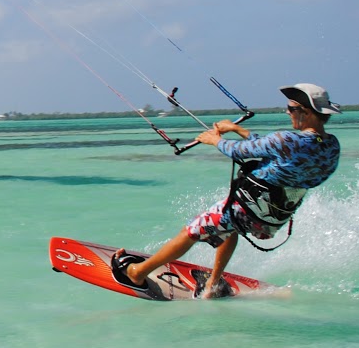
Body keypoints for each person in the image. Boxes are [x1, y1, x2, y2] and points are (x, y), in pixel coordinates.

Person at [112, 83, 342, 299]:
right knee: (229, 229)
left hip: (247, 207)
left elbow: (241, 152)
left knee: (191, 231)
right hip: (272, 219)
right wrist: (236, 128)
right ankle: (213, 283)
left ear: (307, 113)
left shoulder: (287, 140)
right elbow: (269, 147)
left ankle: (137, 273)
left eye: (291, 109)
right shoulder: (331, 146)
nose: (287, 113)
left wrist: (215, 140)